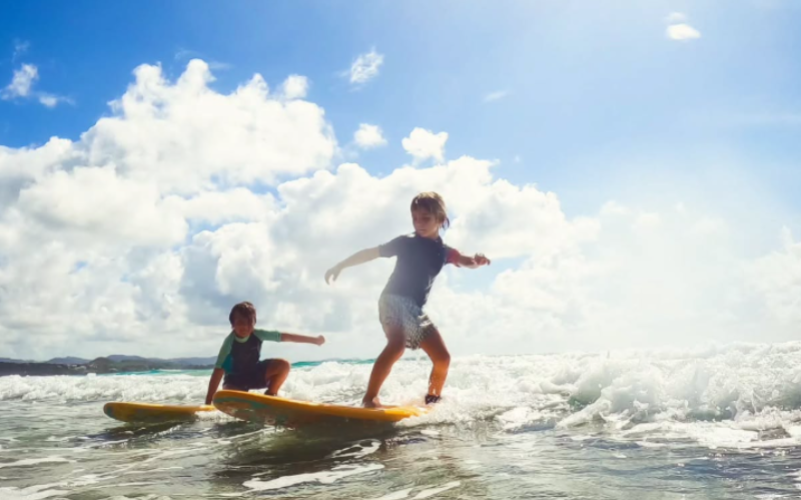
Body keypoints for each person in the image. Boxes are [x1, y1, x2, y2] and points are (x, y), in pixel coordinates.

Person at [325, 191, 490, 408]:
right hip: (392, 299)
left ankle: (432, 402)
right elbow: (371, 253)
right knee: (397, 345)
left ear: (440, 219)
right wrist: (341, 265)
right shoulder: (405, 242)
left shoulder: (445, 251)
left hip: (415, 309)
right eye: (415, 218)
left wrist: (477, 261)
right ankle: (370, 399)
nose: (419, 223)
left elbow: (465, 261)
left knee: (442, 358)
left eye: (425, 218)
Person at [204, 301, 325, 405]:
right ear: (233, 324)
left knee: (284, 365)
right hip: (234, 381)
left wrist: (314, 340)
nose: (245, 326)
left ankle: (270, 396)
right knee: (234, 399)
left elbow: (286, 337)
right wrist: (208, 403)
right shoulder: (229, 343)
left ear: (254, 323)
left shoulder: (258, 334)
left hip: (254, 374)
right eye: (240, 322)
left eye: (249, 322)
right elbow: (218, 371)